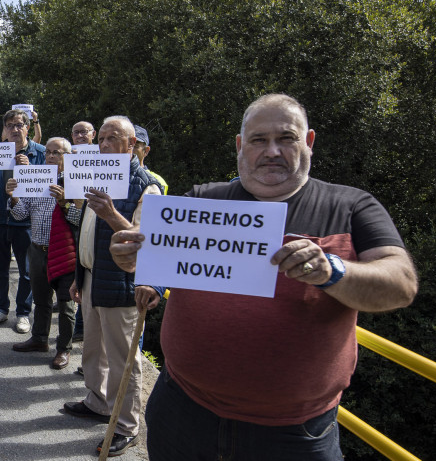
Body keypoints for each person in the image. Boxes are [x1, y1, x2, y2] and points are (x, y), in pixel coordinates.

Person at [109, 94, 418, 461]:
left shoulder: (350, 206)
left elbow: (401, 284)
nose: (272, 151)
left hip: (293, 434)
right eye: (259, 140)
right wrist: (130, 258)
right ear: (241, 146)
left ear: (309, 143)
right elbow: (150, 261)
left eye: (286, 138)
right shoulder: (203, 201)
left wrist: (332, 270)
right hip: (182, 410)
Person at [61, 115, 161, 458]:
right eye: (100, 138)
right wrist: (78, 274)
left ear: (131, 145)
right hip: (91, 277)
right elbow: (85, 232)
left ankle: (127, 426)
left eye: (112, 138)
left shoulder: (146, 186)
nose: (103, 145)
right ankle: (98, 401)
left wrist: (110, 214)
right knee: (93, 348)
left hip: (121, 286)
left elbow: (145, 242)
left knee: (123, 361)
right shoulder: (96, 174)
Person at [5, 137, 78, 369]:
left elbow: (82, 220)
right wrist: (13, 195)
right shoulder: (36, 179)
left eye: (57, 152)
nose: (51, 156)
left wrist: (65, 202)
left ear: (69, 157)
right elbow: (20, 215)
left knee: (66, 304)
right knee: (41, 299)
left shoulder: (76, 182)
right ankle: (39, 339)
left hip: (66, 252)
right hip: (37, 249)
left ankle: (64, 349)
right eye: (48, 152)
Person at [0, 109, 45, 333]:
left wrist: (29, 170)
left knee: (26, 271)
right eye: (10, 125)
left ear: (27, 128)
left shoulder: (39, 152)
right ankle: (1, 309)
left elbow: (46, 184)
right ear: (3, 129)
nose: (15, 129)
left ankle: (23, 313)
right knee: (0, 268)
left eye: (19, 125)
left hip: (26, 223)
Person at [69, 120, 97, 343]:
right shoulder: (68, 159)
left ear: (93, 135)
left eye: (84, 132)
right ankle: (79, 329)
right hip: (74, 223)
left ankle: (83, 330)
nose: (79, 136)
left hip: (94, 223)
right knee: (80, 277)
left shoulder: (104, 161)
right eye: (76, 132)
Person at [133, 125, 168, 194]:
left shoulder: (157, 181)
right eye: (127, 145)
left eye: (135, 146)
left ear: (146, 151)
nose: (130, 150)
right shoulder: (112, 175)